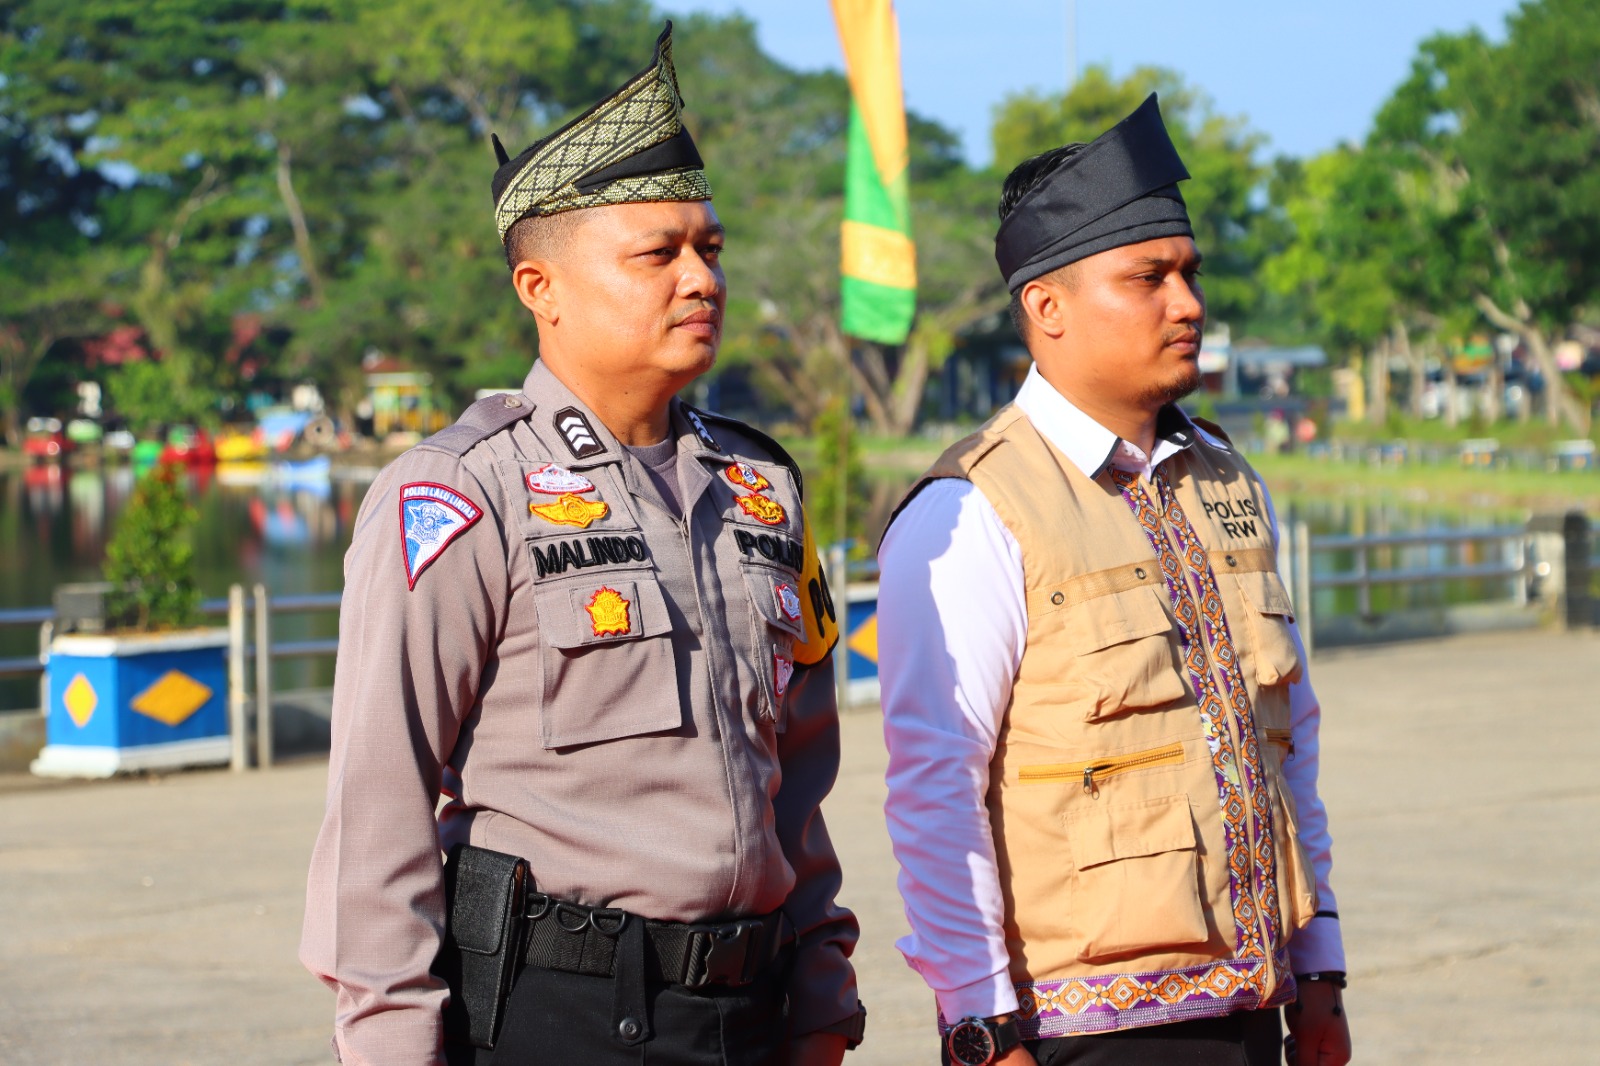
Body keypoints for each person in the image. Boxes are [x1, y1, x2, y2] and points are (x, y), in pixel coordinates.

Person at [300, 23, 866, 1066]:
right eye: (658, 253)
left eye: (709, 249)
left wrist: (823, 993)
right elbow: (376, 812)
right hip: (554, 1012)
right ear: (540, 290)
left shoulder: (761, 491)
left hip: (748, 1010)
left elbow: (800, 773)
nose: (699, 278)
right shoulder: (464, 493)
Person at [876, 95, 1352, 1066]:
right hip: (1080, 1029)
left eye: (1188, 275)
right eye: (1147, 278)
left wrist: (1322, 969)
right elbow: (936, 790)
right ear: (1044, 307)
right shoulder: (973, 509)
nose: (1186, 304)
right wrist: (979, 1026)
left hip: (1254, 1002)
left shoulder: (1224, 476)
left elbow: (1287, 740)